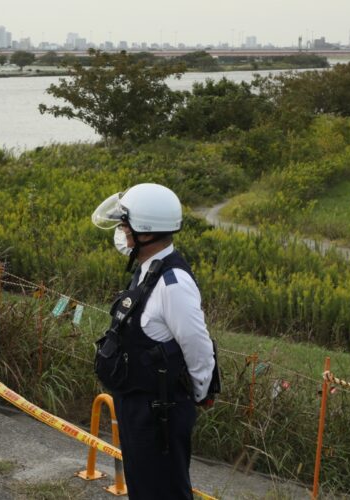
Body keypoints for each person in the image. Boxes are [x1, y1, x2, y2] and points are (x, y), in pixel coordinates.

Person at [91, 183, 216, 499]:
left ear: (145, 231)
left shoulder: (173, 283)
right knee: (143, 488)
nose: (120, 232)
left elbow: (197, 345)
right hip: (139, 406)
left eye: (124, 225)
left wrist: (199, 393)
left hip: (160, 412)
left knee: (165, 491)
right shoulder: (149, 270)